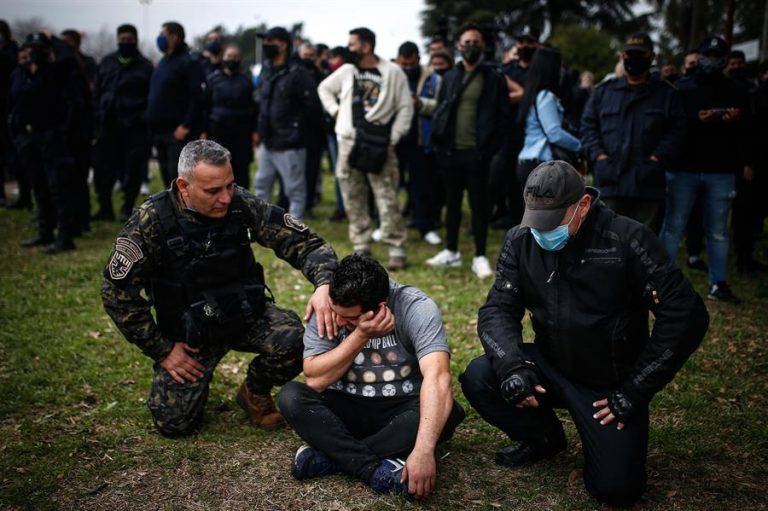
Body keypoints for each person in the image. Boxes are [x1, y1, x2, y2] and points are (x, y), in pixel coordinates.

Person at [461, 160, 709, 507]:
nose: (542, 232)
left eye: (552, 223)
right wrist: (514, 367)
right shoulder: (520, 239)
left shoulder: (628, 238)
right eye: (536, 221)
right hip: (549, 365)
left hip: (608, 385)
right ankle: (543, 438)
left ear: (583, 206)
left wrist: (636, 389)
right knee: (480, 375)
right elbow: (498, 309)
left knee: (616, 490)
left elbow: (686, 315)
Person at [101, 139, 339, 436]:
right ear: (183, 186)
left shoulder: (239, 203)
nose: (226, 198)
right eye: (213, 191)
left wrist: (325, 283)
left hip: (243, 314)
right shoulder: (152, 222)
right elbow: (116, 292)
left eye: (230, 185)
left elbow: (305, 243)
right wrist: (162, 350)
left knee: (295, 342)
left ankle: (254, 391)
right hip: (192, 336)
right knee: (174, 423)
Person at [278, 254, 465, 498]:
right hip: (346, 406)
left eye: (350, 318)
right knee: (290, 396)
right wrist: (360, 334)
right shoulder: (328, 306)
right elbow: (315, 379)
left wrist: (423, 451)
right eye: (338, 312)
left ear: (382, 305)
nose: (339, 320)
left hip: (401, 408)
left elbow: (438, 377)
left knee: (447, 412)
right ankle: (373, 469)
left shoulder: (416, 307)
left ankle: (333, 458)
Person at [659, 36, 752, 303]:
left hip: (720, 170)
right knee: (674, 225)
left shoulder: (737, 90)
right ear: (699, 56)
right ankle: (659, 281)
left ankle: (718, 283)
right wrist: (695, 120)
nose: (710, 60)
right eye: (706, 55)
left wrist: (735, 120)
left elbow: (748, 130)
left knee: (718, 230)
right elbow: (671, 126)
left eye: (716, 56)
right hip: (683, 169)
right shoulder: (682, 88)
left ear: (723, 60)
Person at [318, 27, 413, 270]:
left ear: (366, 46)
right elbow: (324, 89)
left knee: (386, 196)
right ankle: (361, 245)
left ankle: (397, 248)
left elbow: (405, 107)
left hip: (380, 142)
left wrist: (394, 136)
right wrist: (337, 112)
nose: (348, 48)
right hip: (349, 142)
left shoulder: (393, 72)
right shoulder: (348, 71)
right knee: (352, 195)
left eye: (352, 44)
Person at [426, 23, 511, 279]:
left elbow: (504, 118)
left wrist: (489, 150)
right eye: (466, 42)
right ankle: (451, 251)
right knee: (452, 204)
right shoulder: (451, 76)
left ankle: (480, 256)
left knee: (479, 206)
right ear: (459, 46)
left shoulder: (494, 78)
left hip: (478, 153)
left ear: (483, 46)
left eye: (476, 42)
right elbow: (441, 109)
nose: (471, 46)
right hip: (451, 152)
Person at [580, 33, 687, 233]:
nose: (633, 59)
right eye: (629, 54)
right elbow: (588, 128)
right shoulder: (603, 93)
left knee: (644, 247)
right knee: (606, 244)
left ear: (652, 57)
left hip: (647, 183)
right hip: (611, 180)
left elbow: (677, 131)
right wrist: (600, 157)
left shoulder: (666, 94)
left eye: (640, 54)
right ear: (622, 56)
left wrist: (657, 159)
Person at [9, 32, 79, 253]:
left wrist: (54, 39)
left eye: (39, 48)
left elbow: (68, 58)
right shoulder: (20, 74)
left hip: (51, 136)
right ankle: (44, 231)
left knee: (57, 186)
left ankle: (65, 236)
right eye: (30, 48)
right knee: (39, 187)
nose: (33, 52)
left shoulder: (55, 72)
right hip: (27, 138)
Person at [253, 26, 323, 220]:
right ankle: (261, 225)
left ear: (283, 45)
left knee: (295, 190)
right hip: (269, 141)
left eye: (270, 42)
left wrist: (297, 131)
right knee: (261, 184)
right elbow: (261, 101)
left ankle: (295, 230)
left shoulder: (298, 74)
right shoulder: (266, 70)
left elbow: (313, 109)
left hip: (290, 144)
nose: (266, 46)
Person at [92, 23, 154, 222]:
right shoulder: (107, 62)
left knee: (133, 170)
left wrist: (141, 116)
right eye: (122, 39)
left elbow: (151, 96)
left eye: (129, 39)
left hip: (134, 126)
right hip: (108, 125)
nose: (125, 42)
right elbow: (97, 91)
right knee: (103, 169)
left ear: (135, 40)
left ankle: (127, 206)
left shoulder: (144, 66)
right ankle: (105, 207)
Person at [514, 48, 581, 218]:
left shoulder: (531, 95)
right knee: (545, 220)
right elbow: (554, 133)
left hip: (527, 162)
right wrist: (580, 145)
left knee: (531, 219)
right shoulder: (545, 96)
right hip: (541, 163)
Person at [146, 21, 206, 186]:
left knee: (179, 178)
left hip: (178, 133)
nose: (160, 38)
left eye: (163, 35)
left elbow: (197, 97)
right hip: (160, 132)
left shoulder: (188, 62)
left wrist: (185, 125)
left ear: (175, 37)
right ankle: (172, 210)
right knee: (167, 177)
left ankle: (185, 211)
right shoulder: (164, 62)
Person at [395, 41, 442, 246]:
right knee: (391, 185)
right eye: (403, 64)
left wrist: (419, 103)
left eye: (410, 64)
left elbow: (440, 106)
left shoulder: (433, 78)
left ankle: (426, 227)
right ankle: (388, 225)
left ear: (418, 59)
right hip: (395, 140)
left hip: (421, 140)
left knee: (422, 186)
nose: (406, 68)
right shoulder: (391, 76)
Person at [202, 44, 258, 189]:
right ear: (223, 58)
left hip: (242, 134)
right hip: (218, 132)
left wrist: (255, 131)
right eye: (229, 56)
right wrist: (203, 130)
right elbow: (204, 107)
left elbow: (254, 108)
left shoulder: (246, 81)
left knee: (241, 171)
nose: (232, 59)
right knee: (217, 168)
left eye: (235, 57)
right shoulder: (213, 80)